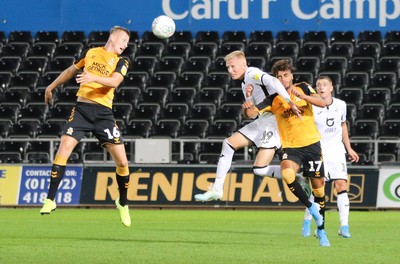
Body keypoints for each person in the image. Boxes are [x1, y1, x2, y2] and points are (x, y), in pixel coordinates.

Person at [39, 26, 132, 227]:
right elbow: (70, 71)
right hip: (82, 110)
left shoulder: (122, 61)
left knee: (123, 163)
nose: (125, 45)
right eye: (123, 40)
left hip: (104, 115)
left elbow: (115, 82)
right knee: (63, 148)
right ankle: (50, 199)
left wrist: (93, 77)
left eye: (127, 42)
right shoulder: (90, 52)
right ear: (113, 37)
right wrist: (51, 86)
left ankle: (122, 203)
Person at [194, 50, 301, 202]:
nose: (230, 71)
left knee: (259, 169)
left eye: (233, 67)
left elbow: (274, 82)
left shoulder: (252, 73)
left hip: (273, 122)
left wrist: (289, 102)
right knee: (228, 144)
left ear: (244, 65)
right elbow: (250, 114)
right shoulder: (245, 84)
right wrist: (249, 99)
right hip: (262, 120)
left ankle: (296, 177)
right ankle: (217, 189)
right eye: (228, 68)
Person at [253, 60, 330, 246]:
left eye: (285, 75)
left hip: (312, 145)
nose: (282, 79)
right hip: (290, 147)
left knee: (319, 191)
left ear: (291, 75)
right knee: (287, 174)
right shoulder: (273, 98)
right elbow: (252, 113)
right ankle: (311, 208)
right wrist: (247, 104)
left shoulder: (303, 87)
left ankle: (321, 231)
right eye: (278, 77)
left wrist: (302, 95)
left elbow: (323, 102)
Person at [301, 76, 359, 238]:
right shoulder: (311, 106)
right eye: (318, 85)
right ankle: (307, 221)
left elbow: (343, 126)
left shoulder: (341, 105)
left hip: (337, 152)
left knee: (341, 186)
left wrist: (349, 148)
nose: (321, 87)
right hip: (317, 151)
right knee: (318, 189)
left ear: (331, 88)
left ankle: (344, 226)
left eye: (324, 85)